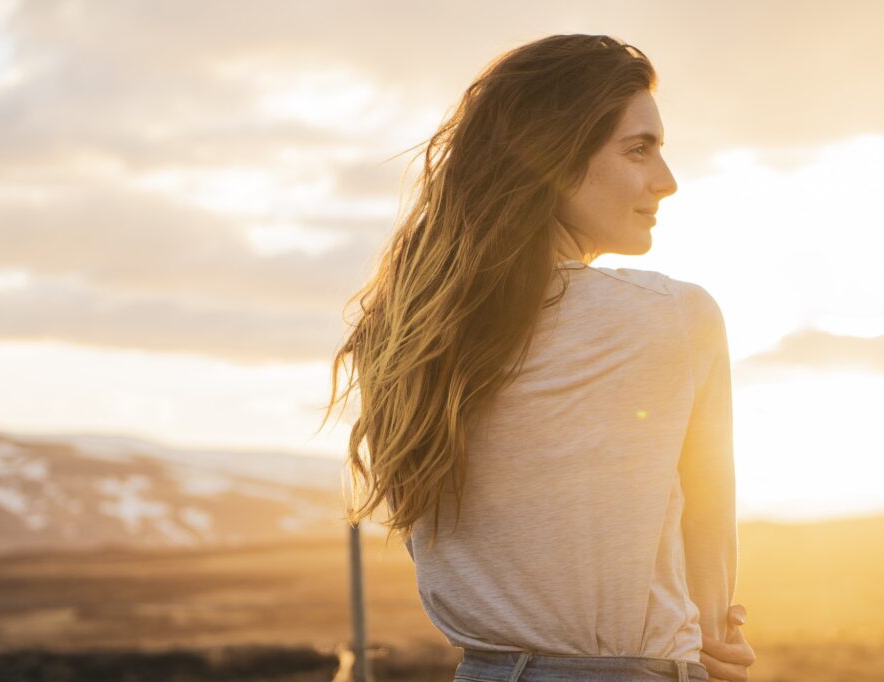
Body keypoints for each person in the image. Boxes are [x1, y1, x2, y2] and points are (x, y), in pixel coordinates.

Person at [321, 33, 756, 682]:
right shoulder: (676, 318)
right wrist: (709, 636)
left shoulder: (415, 332)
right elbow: (711, 576)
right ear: (552, 155)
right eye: (639, 150)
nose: (666, 182)